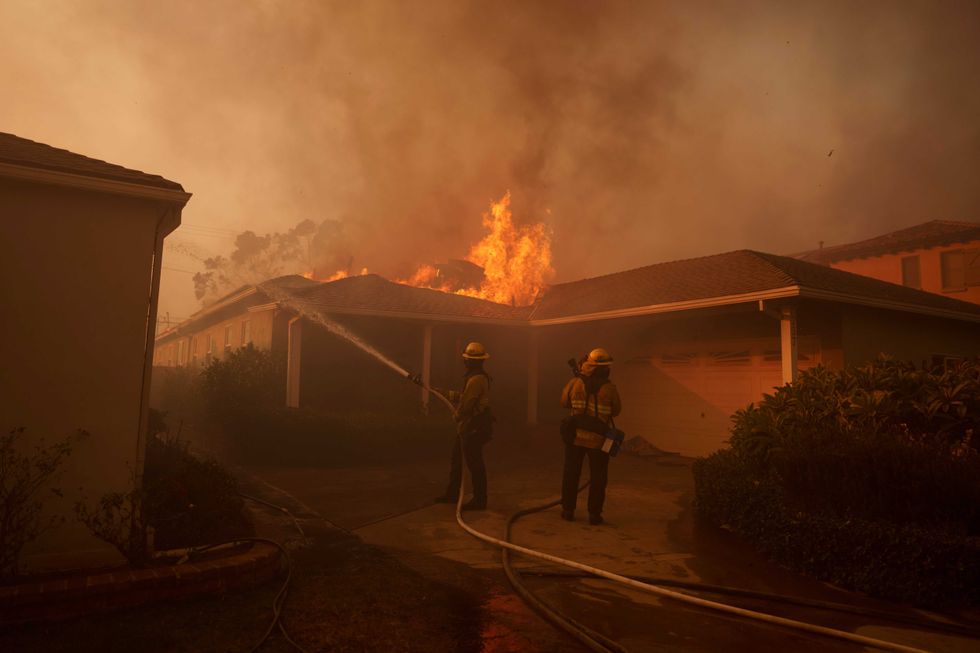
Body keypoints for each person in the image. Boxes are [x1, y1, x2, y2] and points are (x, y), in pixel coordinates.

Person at [560, 348, 622, 525]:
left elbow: (564, 402)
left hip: (575, 438)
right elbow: (616, 411)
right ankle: (594, 514)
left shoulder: (575, 383)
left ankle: (567, 510)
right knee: (598, 477)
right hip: (599, 440)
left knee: (571, 474)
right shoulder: (609, 388)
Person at [434, 341, 494, 510]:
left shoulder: (476, 379)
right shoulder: (476, 378)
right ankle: (453, 494)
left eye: (467, 359)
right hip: (471, 427)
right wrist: (442, 392)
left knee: (475, 464)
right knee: (457, 460)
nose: (465, 361)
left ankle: (480, 500)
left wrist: (456, 416)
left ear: (473, 361)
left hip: (474, 427)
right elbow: (463, 396)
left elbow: (467, 405)